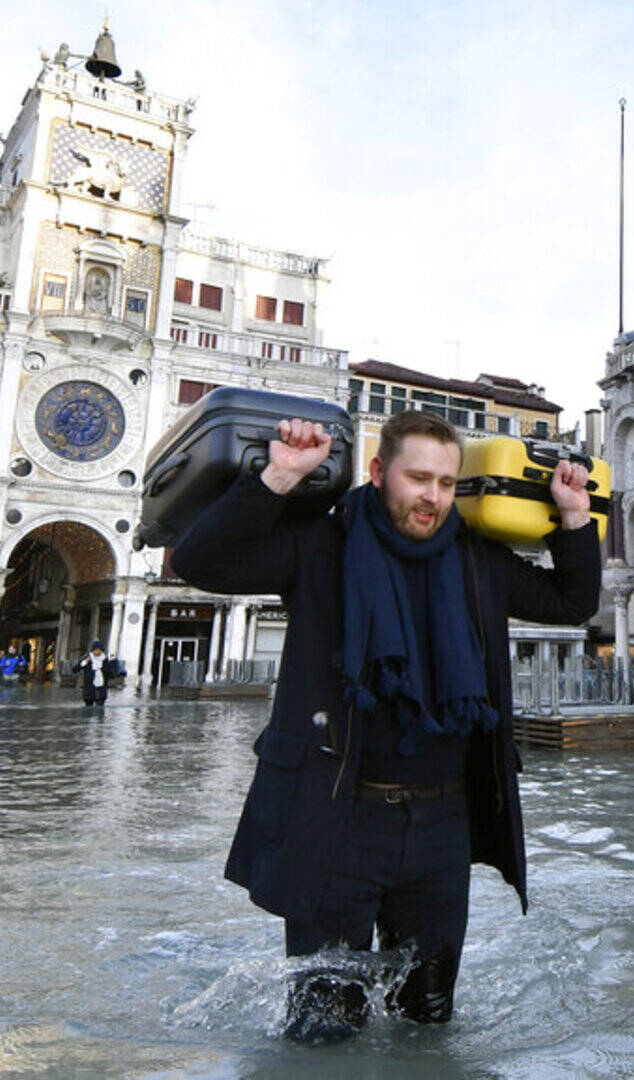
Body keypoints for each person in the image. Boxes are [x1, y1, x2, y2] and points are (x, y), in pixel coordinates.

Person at [169, 409, 600, 1044]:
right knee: (324, 1030)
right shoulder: (322, 545)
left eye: (447, 483)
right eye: (418, 478)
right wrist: (279, 477)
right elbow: (202, 563)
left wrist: (572, 515)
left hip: (442, 831)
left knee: (427, 1024)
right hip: (337, 821)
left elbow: (572, 603)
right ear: (377, 473)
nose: (432, 496)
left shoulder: (481, 560)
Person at [75, 639, 109, 706]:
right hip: (89, 692)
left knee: (100, 709)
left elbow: (110, 673)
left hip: (101, 692)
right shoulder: (86, 658)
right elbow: (75, 669)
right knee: (88, 711)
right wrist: (84, 663)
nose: (97, 652)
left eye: (99, 650)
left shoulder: (105, 660)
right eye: (96, 650)